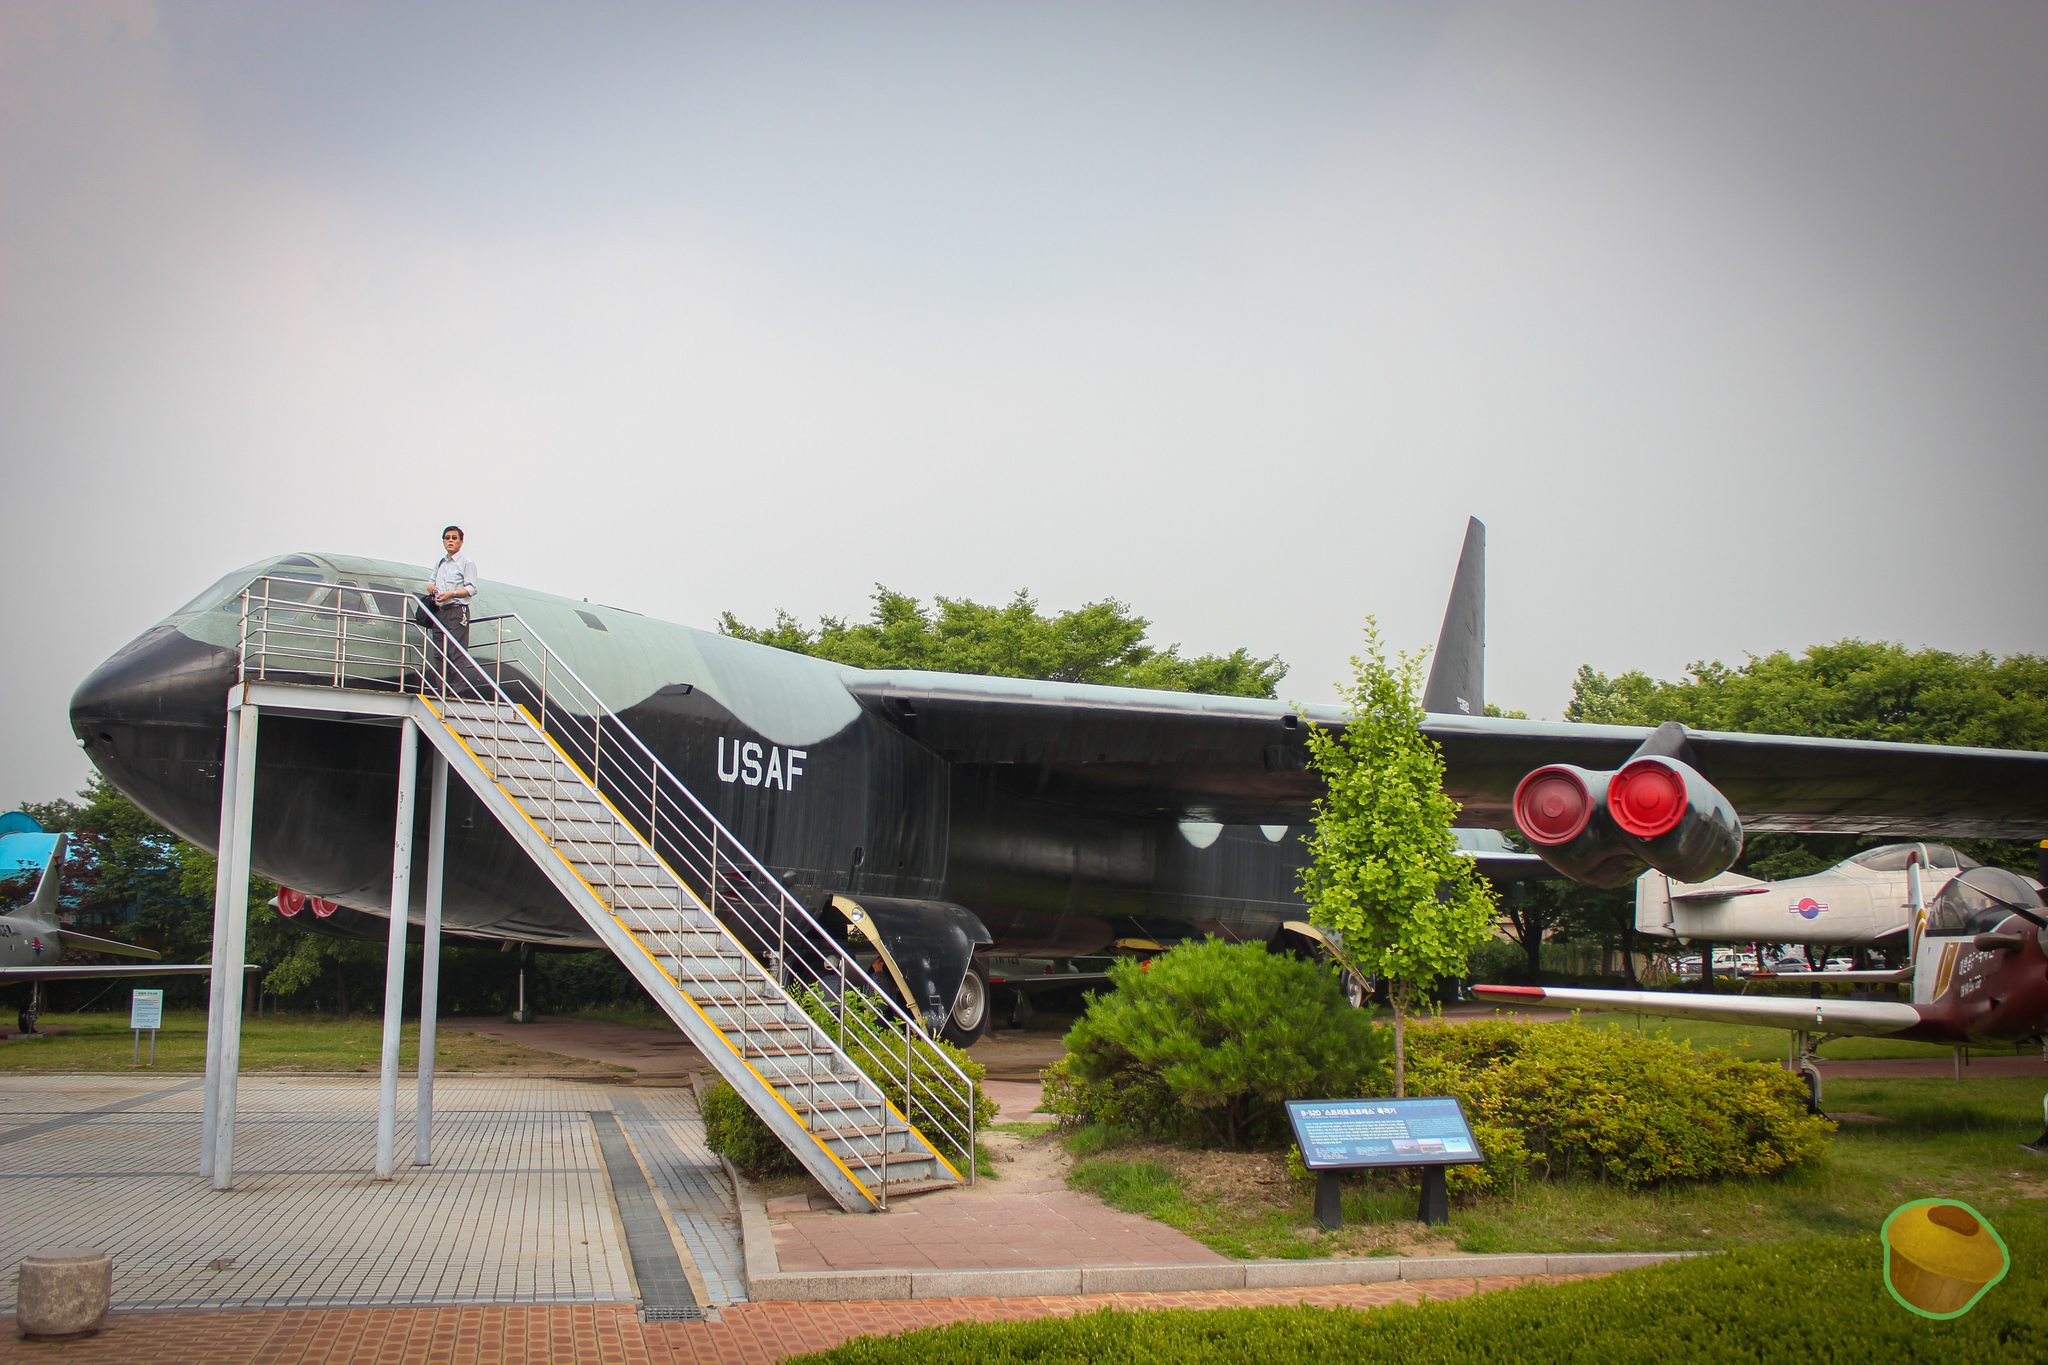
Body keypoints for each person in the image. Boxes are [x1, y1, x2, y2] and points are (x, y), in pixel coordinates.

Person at [428, 525, 478, 647]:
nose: (450, 541)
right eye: (447, 538)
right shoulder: (441, 563)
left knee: (455, 650)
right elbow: (430, 582)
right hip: (440, 610)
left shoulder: (466, 562)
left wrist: (452, 594)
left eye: (454, 538)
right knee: (439, 651)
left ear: (461, 542)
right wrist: (432, 588)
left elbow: (471, 588)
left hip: (457, 610)